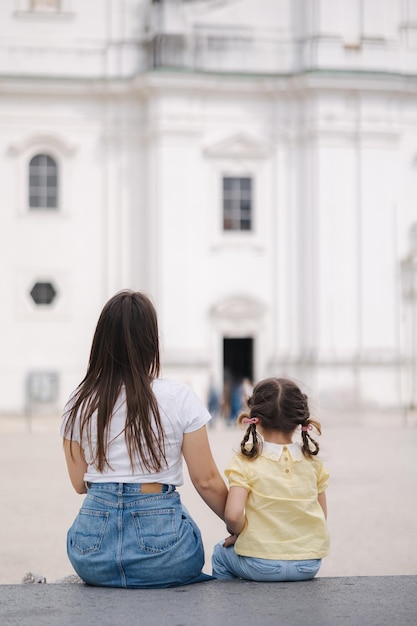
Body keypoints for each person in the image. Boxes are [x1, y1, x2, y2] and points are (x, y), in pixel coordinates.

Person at [61, 290, 228, 588]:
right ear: (151, 342)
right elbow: (207, 481)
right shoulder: (179, 397)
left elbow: (78, 483)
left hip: (90, 555)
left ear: (101, 341)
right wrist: (237, 524)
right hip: (163, 552)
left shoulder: (79, 401)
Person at [212, 377, 329, 582]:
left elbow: (233, 514)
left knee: (220, 555)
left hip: (261, 564)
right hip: (308, 564)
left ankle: (232, 610)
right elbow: (320, 516)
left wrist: (242, 536)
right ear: (299, 420)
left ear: (256, 418)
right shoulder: (312, 462)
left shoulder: (246, 460)